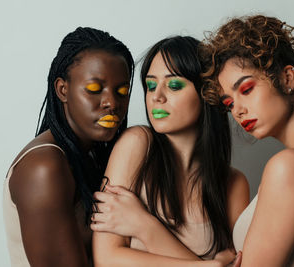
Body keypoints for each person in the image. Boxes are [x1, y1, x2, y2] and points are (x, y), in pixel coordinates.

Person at [199, 15, 294, 266]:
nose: (237, 111)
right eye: (229, 103)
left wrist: (147, 228)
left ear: (287, 78)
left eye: (246, 89)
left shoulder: (292, 166)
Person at [91, 36, 249, 267]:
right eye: (151, 85)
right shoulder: (136, 144)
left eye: (173, 85)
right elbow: (106, 259)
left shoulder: (233, 183)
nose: (157, 96)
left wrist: (145, 226)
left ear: (207, 93)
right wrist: (209, 265)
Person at [3, 27, 134, 266]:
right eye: (95, 89)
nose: (111, 103)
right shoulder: (44, 167)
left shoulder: (91, 156)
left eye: (122, 92)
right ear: (63, 90)